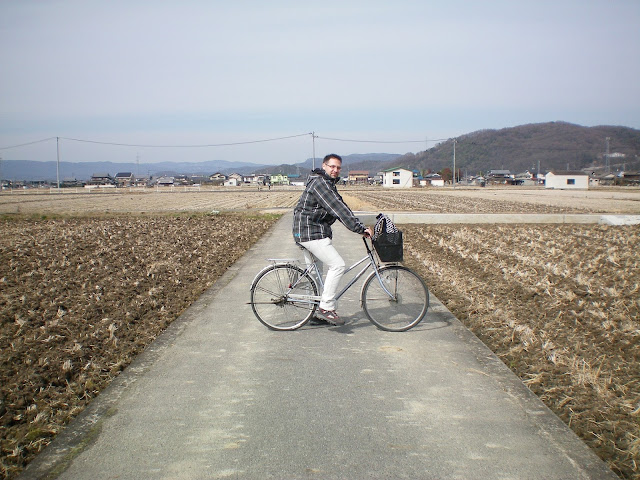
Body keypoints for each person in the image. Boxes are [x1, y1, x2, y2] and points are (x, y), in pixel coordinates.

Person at [293, 153, 373, 325]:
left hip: (307, 231)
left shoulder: (324, 183)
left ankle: (312, 314)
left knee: (314, 274)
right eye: (332, 166)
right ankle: (327, 307)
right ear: (324, 166)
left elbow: (341, 206)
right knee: (337, 265)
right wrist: (359, 229)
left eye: (338, 167)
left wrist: (358, 225)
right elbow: (339, 209)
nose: (335, 170)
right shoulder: (321, 184)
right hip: (310, 232)